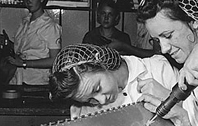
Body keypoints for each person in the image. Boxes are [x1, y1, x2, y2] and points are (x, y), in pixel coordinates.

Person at [48, 43, 178, 119]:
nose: (102, 101)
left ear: (101, 63)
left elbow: (196, 124)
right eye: (90, 100)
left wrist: (169, 98)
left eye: (97, 89)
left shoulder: (159, 69)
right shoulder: (82, 111)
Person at [0, 0, 62, 85]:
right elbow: (22, 51)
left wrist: (24, 63)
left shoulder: (50, 27)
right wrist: (6, 42)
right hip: (16, 78)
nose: (28, 2)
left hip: (36, 82)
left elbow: (54, 60)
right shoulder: (24, 23)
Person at [82, 0, 155, 58]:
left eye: (110, 14)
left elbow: (128, 61)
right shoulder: (90, 37)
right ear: (98, 15)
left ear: (116, 17)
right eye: (103, 13)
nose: (106, 18)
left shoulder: (123, 38)